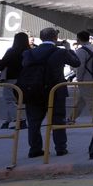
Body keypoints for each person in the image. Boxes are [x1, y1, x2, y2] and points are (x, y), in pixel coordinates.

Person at [18, 27, 80, 157]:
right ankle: (60, 148)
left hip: (33, 91)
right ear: (55, 38)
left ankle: (35, 149)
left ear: (41, 38)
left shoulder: (29, 53)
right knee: (58, 120)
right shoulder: (60, 52)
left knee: (34, 122)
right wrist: (68, 48)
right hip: (55, 91)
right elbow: (76, 62)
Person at [0, 32, 30, 129]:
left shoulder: (12, 51)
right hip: (25, 80)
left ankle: (21, 121)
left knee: (9, 101)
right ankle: (7, 122)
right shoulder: (30, 51)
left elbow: (0, 66)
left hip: (11, 80)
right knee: (15, 102)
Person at [68, 30, 93, 124]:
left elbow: (80, 66)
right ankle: (71, 118)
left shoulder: (81, 51)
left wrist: (79, 78)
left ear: (78, 39)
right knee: (82, 100)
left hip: (86, 79)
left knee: (91, 101)